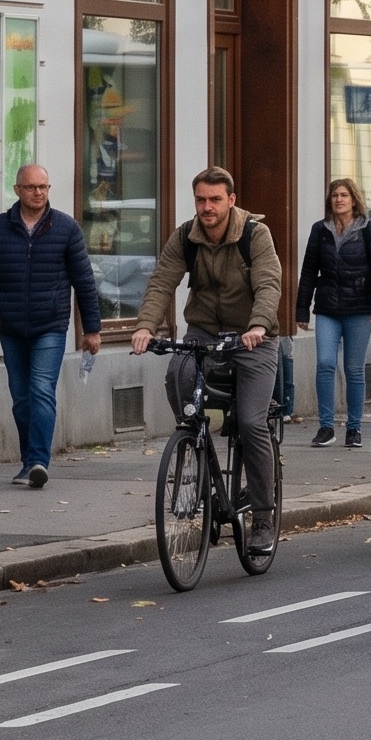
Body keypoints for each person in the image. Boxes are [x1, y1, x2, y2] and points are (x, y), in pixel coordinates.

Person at [133, 168, 282, 547]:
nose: (207, 207)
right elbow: (163, 280)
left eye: (215, 200)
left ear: (231, 200)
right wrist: (145, 326)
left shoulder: (254, 234)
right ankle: (196, 453)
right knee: (177, 376)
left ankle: (263, 516)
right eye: (201, 199)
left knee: (251, 423)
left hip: (253, 338)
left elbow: (268, 283)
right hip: (203, 333)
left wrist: (260, 325)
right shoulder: (186, 236)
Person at [0, 165, 102, 490]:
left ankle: (39, 462)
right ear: (17, 190)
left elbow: (84, 280)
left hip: (51, 325)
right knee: (20, 397)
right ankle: (28, 461)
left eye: (43, 187)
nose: (38, 193)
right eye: (31, 187)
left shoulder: (66, 228)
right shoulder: (0, 228)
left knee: (42, 389)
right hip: (12, 326)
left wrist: (92, 329)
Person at [297, 177, 371, 448]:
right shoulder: (320, 230)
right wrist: (302, 309)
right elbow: (308, 272)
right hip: (327, 309)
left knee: (353, 369)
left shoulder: (368, 229)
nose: (339, 199)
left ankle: (354, 428)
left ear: (353, 200)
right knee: (325, 364)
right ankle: (326, 427)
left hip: (359, 309)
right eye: (335, 195)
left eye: (344, 195)